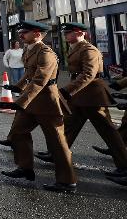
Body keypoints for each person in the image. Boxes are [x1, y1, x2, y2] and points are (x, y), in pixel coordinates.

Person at [30, 22, 127, 183]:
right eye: (65, 33)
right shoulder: (75, 47)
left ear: (80, 33)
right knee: (68, 125)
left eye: (69, 33)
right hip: (80, 96)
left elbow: (88, 75)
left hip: (92, 96)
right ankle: (56, 154)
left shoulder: (89, 50)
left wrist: (68, 90)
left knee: (109, 132)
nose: (66, 36)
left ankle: (124, 166)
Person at [0, 20, 77, 193]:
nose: (21, 35)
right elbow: (28, 73)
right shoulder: (29, 50)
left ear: (38, 34)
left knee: (57, 142)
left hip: (47, 101)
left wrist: (19, 102)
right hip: (33, 101)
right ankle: (25, 168)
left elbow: (40, 79)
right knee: (18, 132)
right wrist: (17, 87)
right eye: (21, 32)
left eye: (25, 32)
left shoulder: (46, 53)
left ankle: (67, 181)